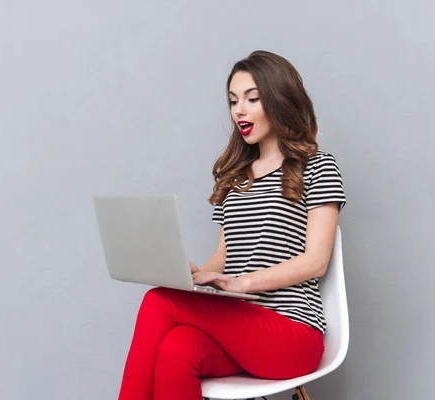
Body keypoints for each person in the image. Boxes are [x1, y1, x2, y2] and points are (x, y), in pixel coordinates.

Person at [117, 50, 346, 400]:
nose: (239, 110)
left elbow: (316, 261)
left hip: (292, 333)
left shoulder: (317, 166)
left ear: (278, 99)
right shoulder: (234, 179)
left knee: (159, 303)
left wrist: (243, 284)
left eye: (252, 99)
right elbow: (225, 255)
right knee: (178, 348)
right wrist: (191, 277)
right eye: (233, 101)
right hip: (238, 326)